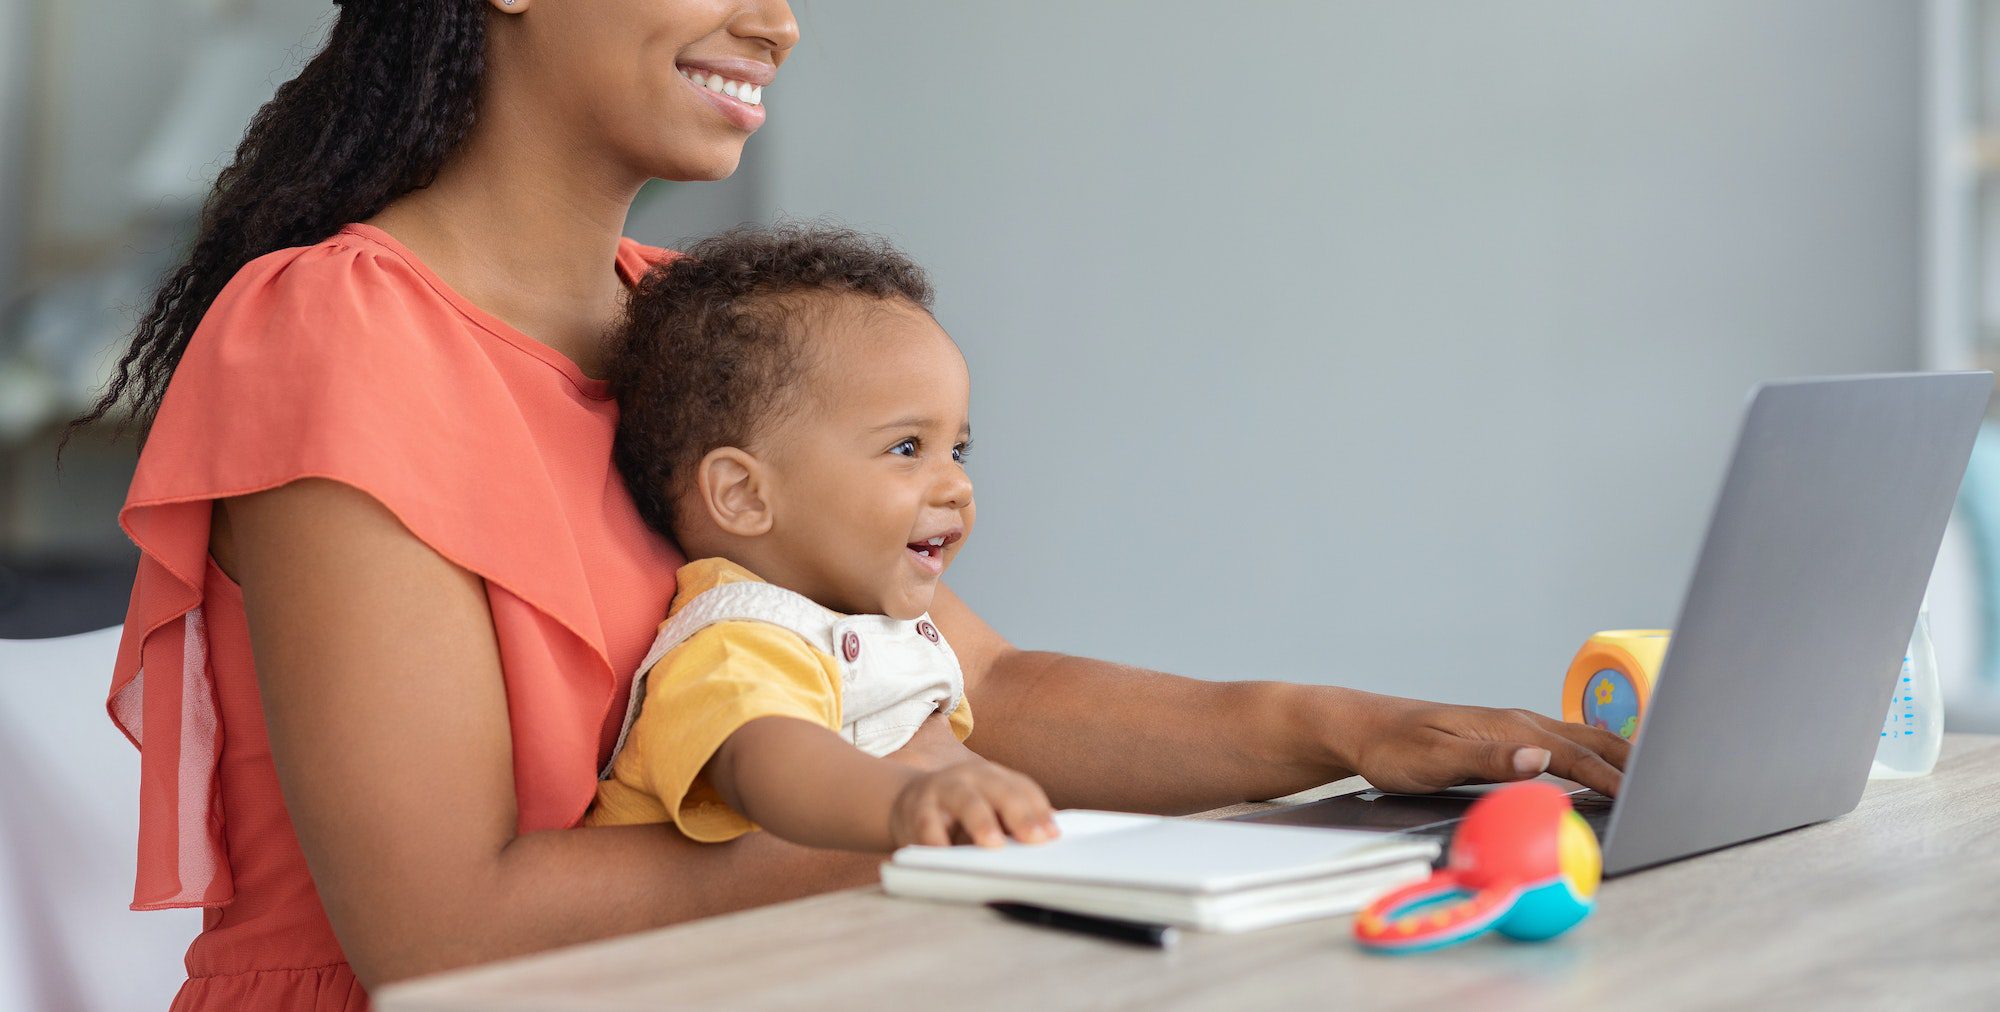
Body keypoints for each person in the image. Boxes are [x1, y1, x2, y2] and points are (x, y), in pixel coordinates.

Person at [72, 2, 1629, 1009]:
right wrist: (984, 835)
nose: (782, 21)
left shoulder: (695, 335)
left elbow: (983, 687)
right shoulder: (338, 331)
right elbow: (446, 937)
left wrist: (1350, 734)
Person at [589, 225, 1058, 851]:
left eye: (959, 450)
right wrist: (905, 804)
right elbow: (774, 766)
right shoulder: (738, 640)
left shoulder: (870, 620)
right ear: (744, 495)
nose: (957, 487)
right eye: (907, 448)